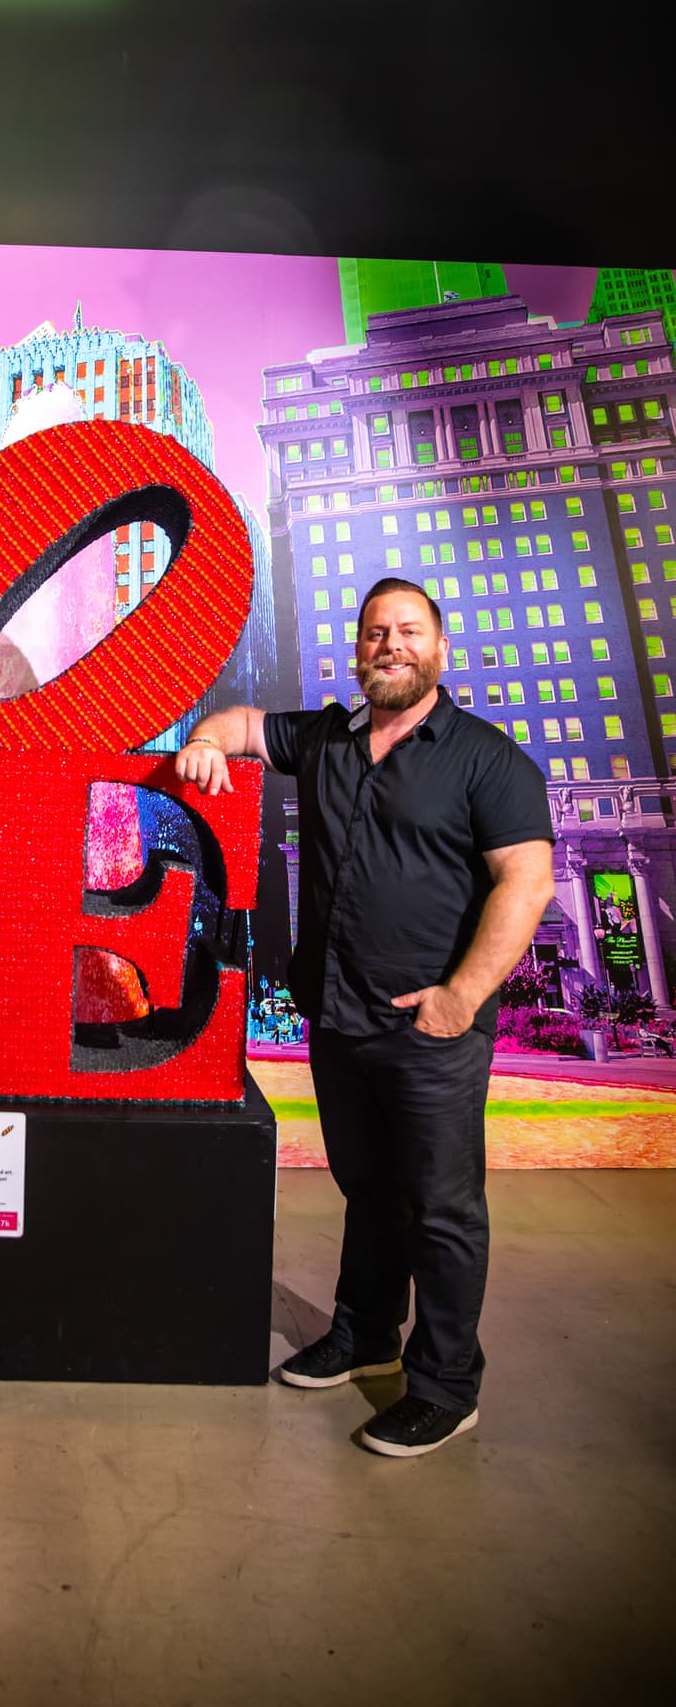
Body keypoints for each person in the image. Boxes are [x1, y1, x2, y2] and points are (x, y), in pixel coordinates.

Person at [175, 578, 554, 1459]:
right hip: (338, 1017)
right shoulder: (327, 736)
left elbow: (525, 881)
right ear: (359, 650)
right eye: (376, 632)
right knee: (370, 1192)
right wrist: (202, 741)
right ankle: (365, 1334)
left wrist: (461, 997)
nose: (392, 644)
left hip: (431, 1031)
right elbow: (238, 727)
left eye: (409, 630)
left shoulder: (488, 761)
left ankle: (447, 1385)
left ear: (440, 650)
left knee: (443, 1210)